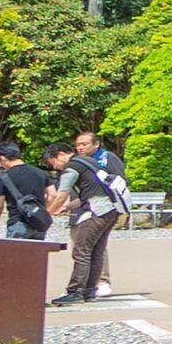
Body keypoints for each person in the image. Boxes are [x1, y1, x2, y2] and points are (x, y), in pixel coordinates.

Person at [54, 129, 128, 304]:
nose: (80, 147)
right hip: (109, 209)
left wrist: (51, 210)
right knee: (95, 251)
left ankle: (76, 291)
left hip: (97, 210)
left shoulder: (78, 164)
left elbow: (62, 192)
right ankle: (89, 290)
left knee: (82, 250)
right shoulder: (90, 163)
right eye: (78, 144)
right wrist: (68, 207)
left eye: (84, 144)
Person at [0, 137, 55, 242]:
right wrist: (42, 210)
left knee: (15, 257)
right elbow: (52, 194)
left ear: (3, 158)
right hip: (38, 223)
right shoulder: (40, 172)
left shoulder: (4, 177)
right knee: (36, 257)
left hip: (18, 222)